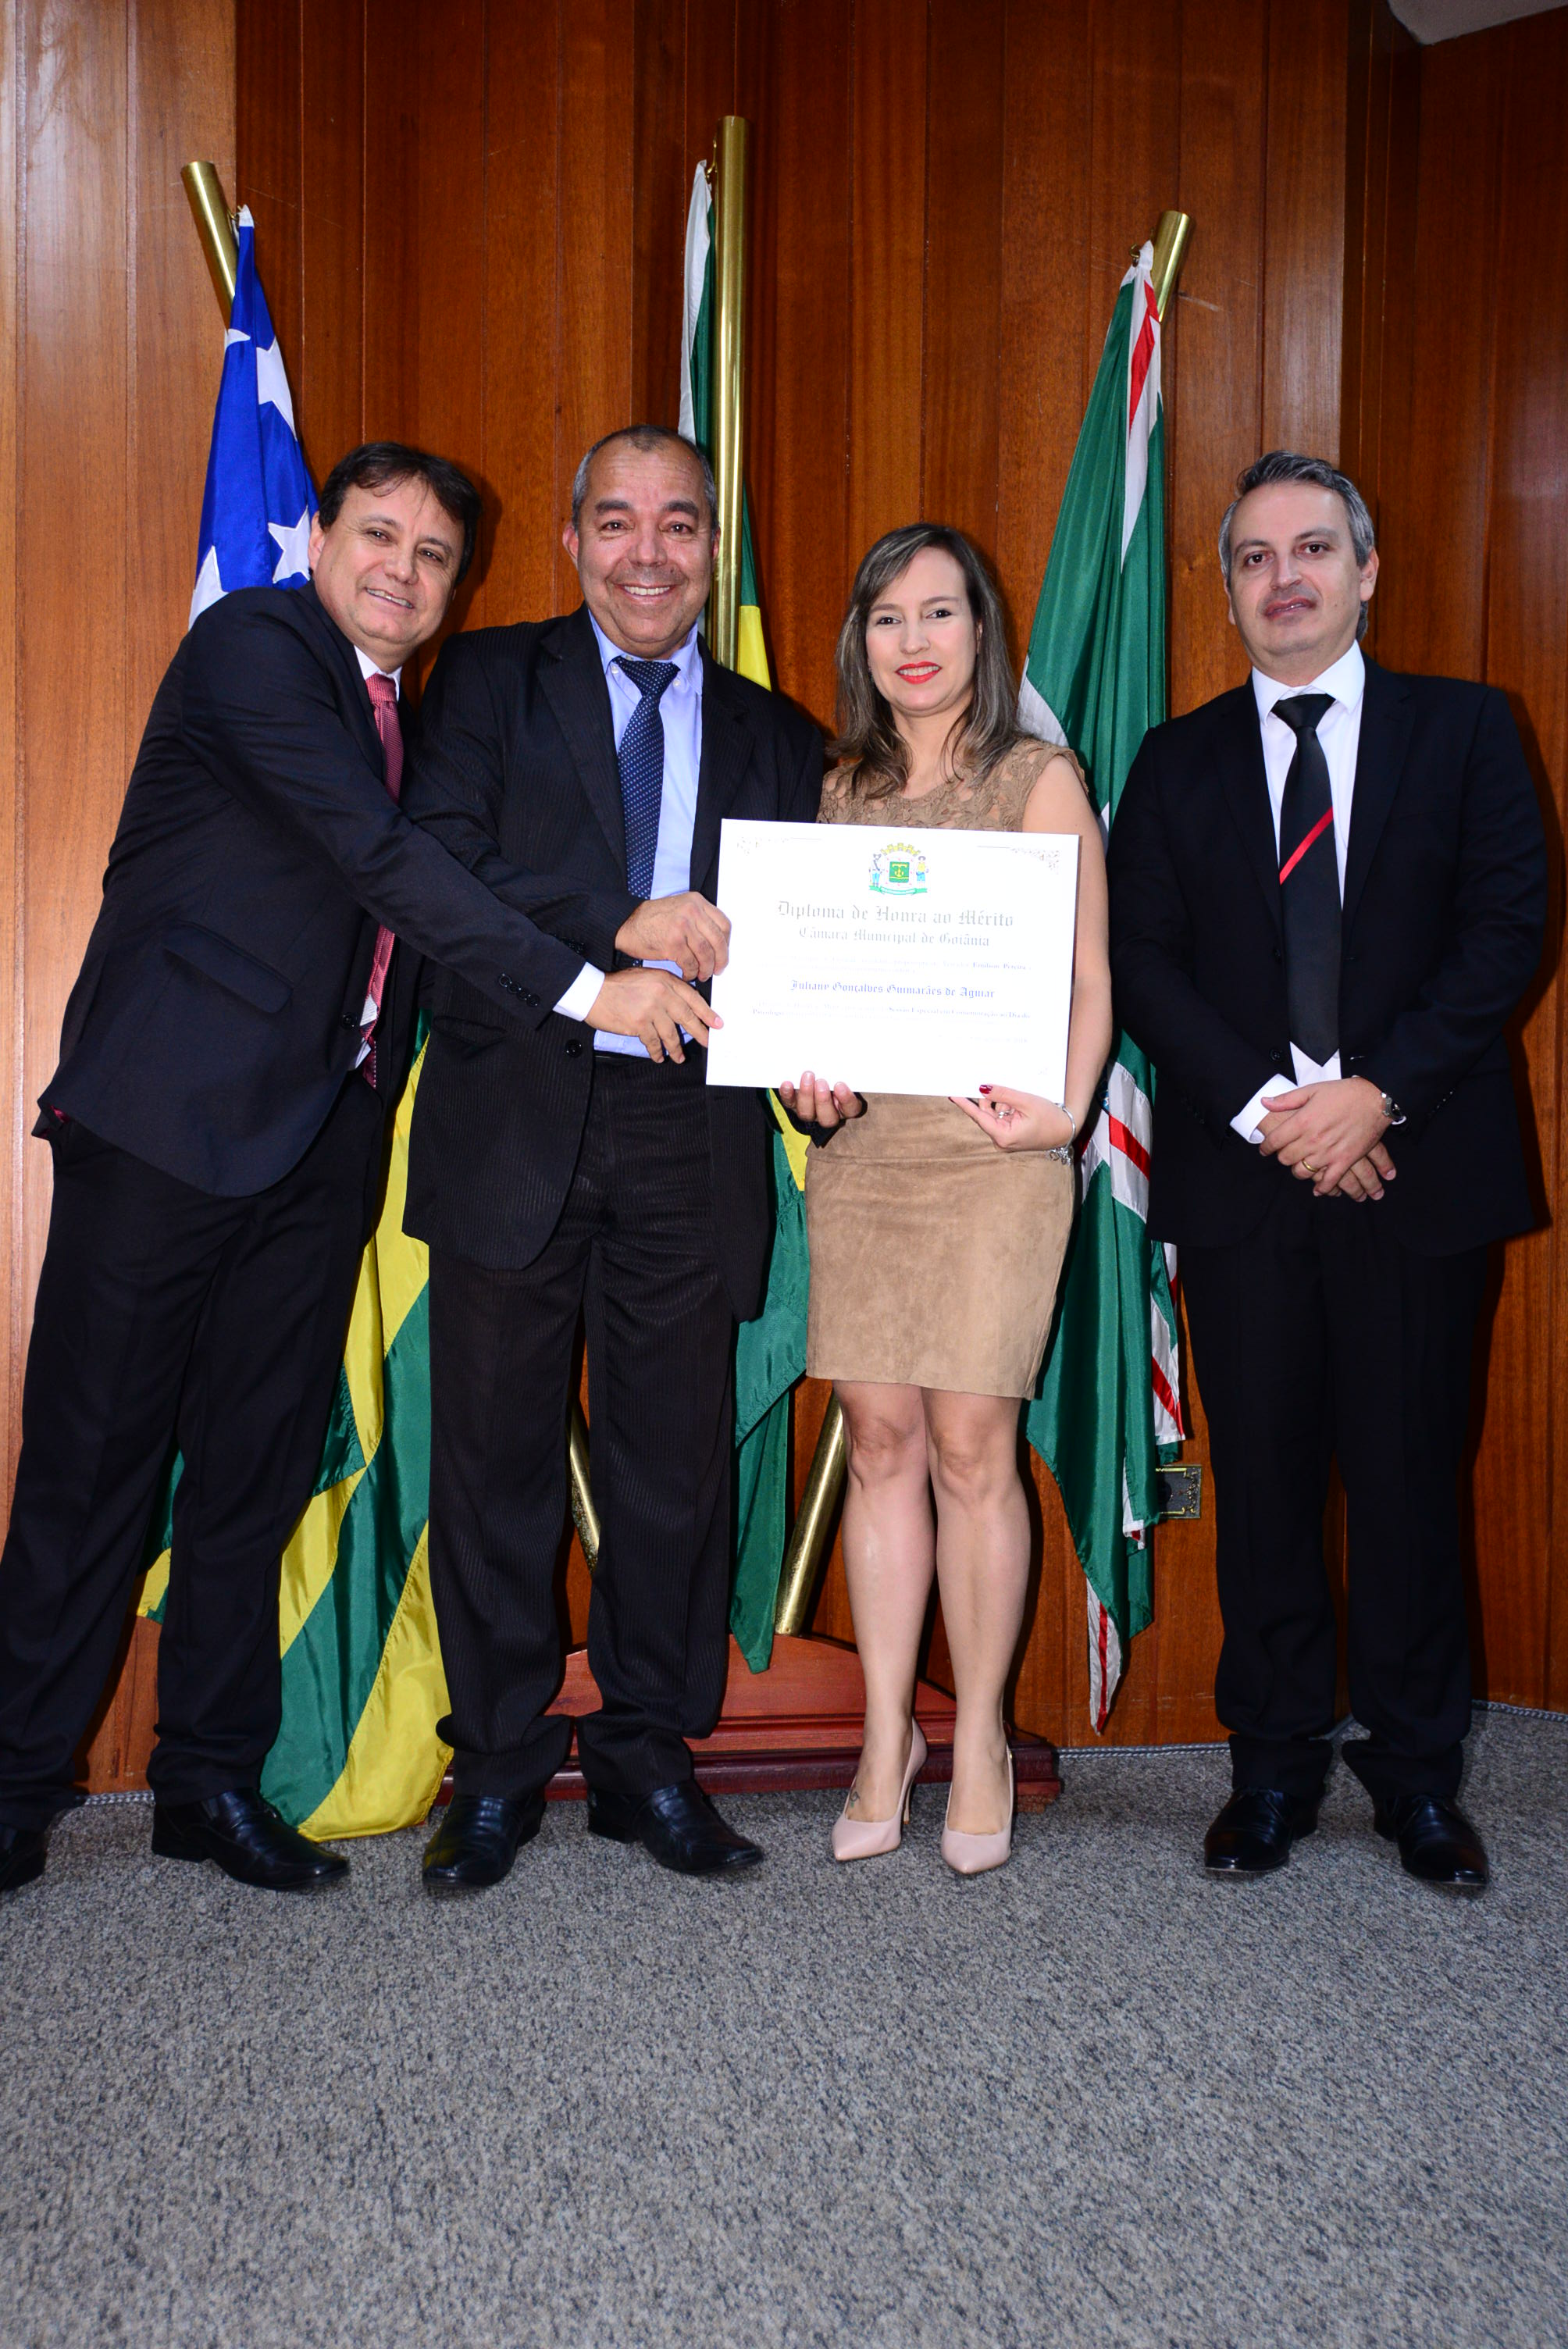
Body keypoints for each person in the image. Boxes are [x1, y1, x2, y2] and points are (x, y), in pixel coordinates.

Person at [0, 440, 701, 1899]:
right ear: (318, 540)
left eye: (435, 555)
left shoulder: (405, 712)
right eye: (379, 536)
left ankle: (204, 1781)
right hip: (167, 1130)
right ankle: (11, 1783)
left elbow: (429, 877)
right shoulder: (255, 649)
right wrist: (594, 982)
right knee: (91, 1470)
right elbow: (383, 859)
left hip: (324, 1140)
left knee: (254, 1476)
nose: (403, 571)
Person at [1109, 450, 1545, 1892]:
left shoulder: (1468, 730)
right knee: (1269, 1482)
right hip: (1248, 1184)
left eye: (1311, 549)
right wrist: (1273, 1113)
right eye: (1254, 557)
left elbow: (1508, 930)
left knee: (1414, 1484)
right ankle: (1273, 1768)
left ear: (1366, 571)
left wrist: (1375, 1099)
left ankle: (1418, 1778)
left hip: (1421, 1173)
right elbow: (1142, 960)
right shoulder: (1173, 762)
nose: (1282, 577)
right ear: (1229, 589)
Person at [403, 424, 823, 1893]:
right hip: (515, 1108)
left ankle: (649, 1755)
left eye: (681, 523)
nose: (651, 552)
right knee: (494, 1463)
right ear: (574, 539)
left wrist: (827, 1067)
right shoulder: (487, 682)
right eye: (620, 521)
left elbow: (809, 952)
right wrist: (618, 922)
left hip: (690, 1130)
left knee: (670, 1472)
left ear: (712, 544)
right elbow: (438, 859)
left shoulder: (781, 734)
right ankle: (498, 1765)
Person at [780, 524, 1111, 1878]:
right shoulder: (837, 790)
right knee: (879, 1439)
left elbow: (1089, 979)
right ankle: (885, 1739)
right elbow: (808, 986)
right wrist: (803, 1080)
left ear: (983, 630)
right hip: (868, 1157)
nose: (912, 641)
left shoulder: (1038, 779)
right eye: (886, 617)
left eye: (938, 613)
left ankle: (975, 1737)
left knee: (974, 1445)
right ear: (860, 642)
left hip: (995, 1153)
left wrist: (1067, 1111)